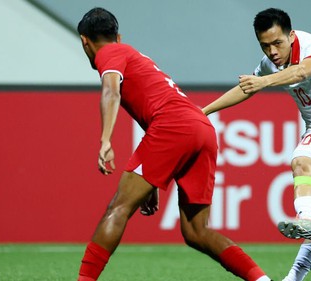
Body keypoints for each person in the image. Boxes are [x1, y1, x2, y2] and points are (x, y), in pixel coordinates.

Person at [76, 7, 272, 281]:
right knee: (196, 231)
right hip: (200, 126)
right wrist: (153, 182)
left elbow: (111, 90)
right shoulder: (132, 54)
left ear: (85, 41)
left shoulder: (109, 53)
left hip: (174, 126)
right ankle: (262, 280)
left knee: (118, 208)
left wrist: (105, 139)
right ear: (117, 35)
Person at [202, 8, 311, 281]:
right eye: (265, 45)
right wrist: (204, 111)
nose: (272, 51)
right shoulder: (269, 64)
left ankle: (294, 278)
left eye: (277, 43)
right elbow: (245, 88)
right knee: (300, 163)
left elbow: (302, 71)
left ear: (291, 35)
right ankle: (307, 218)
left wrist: (263, 81)